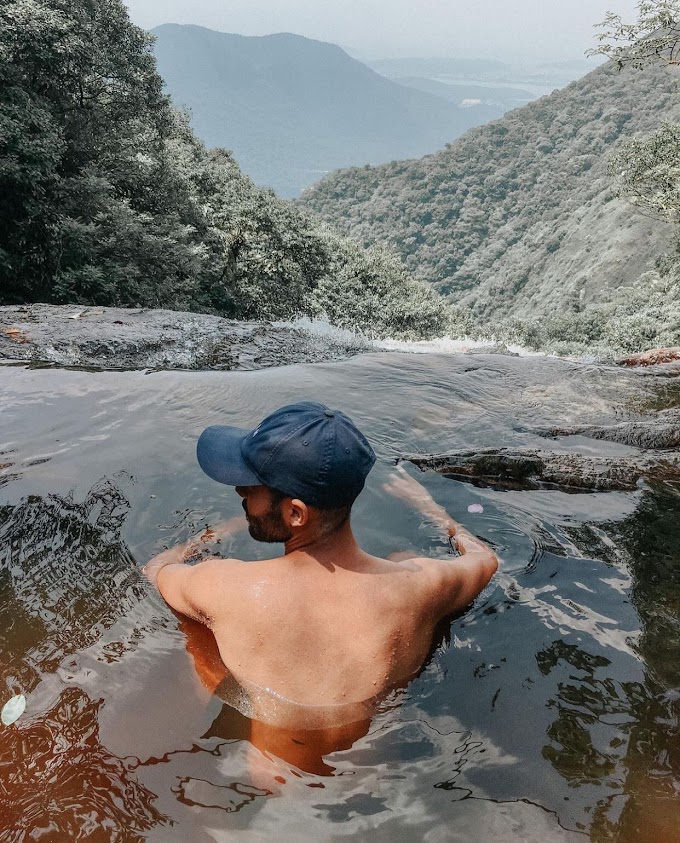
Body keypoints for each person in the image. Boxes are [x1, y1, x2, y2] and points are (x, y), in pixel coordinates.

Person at [144, 401, 498, 736]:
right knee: (403, 561)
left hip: (271, 775)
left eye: (252, 486)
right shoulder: (424, 586)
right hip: (377, 760)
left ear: (296, 513)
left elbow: (156, 569)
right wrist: (433, 510)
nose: (240, 490)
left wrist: (215, 533)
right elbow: (485, 560)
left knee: (196, 626)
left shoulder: (225, 587)